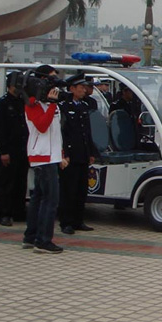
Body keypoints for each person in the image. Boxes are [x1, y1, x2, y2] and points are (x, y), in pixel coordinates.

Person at [23, 65, 67, 254]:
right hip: (42, 157)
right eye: (49, 80)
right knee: (50, 200)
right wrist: (51, 104)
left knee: (39, 198)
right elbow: (41, 126)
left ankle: (31, 236)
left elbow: (55, 132)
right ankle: (43, 240)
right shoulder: (32, 104)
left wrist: (61, 154)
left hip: (51, 155)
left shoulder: (50, 103)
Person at [58, 74, 98, 235]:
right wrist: (65, 153)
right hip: (70, 156)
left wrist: (90, 152)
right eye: (80, 87)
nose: (83, 90)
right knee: (69, 190)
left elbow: (86, 132)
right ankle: (66, 222)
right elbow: (63, 133)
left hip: (82, 154)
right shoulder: (64, 107)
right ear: (72, 88)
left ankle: (78, 220)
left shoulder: (83, 106)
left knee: (81, 190)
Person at [0, 71, 29, 226]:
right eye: (16, 85)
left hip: (22, 149)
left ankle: (18, 211)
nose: (18, 88)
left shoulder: (22, 102)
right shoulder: (2, 103)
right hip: (10, 149)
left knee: (21, 182)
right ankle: (4, 213)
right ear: (10, 86)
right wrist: (4, 151)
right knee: (7, 183)